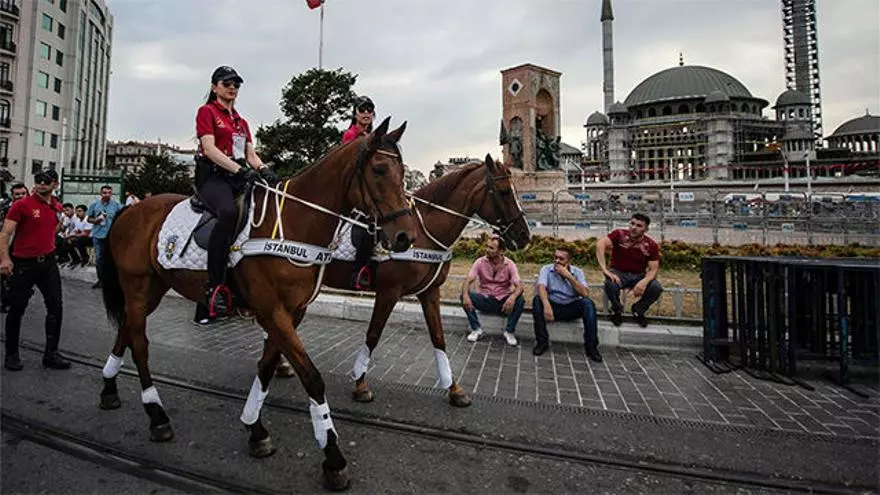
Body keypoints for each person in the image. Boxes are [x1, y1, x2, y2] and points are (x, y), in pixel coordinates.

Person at [195, 65, 276, 317]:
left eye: (236, 84)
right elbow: (209, 149)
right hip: (212, 178)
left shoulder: (241, 121)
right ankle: (215, 287)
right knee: (228, 213)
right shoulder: (207, 111)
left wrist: (263, 169)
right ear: (214, 86)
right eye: (226, 83)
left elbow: (249, 153)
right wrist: (237, 170)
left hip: (236, 177)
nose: (232, 88)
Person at [0, 169, 71, 371]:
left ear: (55, 184)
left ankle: (51, 354)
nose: (41, 184)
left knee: (56, 307)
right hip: (24, 264)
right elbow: (4, 234)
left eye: (46, 182)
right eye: (38, 180)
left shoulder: (55, 206)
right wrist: (5, 259)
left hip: (48, 263)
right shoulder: (22, 205)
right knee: (16, 309)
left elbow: (53, 226)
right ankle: (12, 354)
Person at [532, 246, 602, 363]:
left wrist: (569, 276)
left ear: (569, 261)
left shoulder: (578, 272)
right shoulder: (546, 269)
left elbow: (585, 293)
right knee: (537, 301)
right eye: (555, 258)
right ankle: (542, 342)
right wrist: (547, 306)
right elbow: (541, 287)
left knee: (588, 304)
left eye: (561, 259)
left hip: (571, 306)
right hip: (553, 306)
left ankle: (591, 347)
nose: (557, 261)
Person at [596, 213, 662, 328]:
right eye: (632, 223)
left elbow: (653, 269)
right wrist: (605, 269)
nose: (634, 227)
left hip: (639, 275)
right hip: (618, 272)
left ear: (646, 229)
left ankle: (638, 309)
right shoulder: (619, 234)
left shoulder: (651, 245)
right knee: (610, 284)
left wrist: (644, 282)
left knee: (656, 287)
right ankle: (617, 310)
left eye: (639, 225)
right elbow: (600, 244)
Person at [460, 235, 525, 346]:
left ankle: (509, 332)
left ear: (501, 251)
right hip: (486, 299)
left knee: (520, 300)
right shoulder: (480, 262)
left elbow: (520, 286)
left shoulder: (510, 264)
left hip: (503, 302)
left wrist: (512, 298)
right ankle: (476, 329)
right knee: (463, 296)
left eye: (491, 248)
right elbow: (468, 280)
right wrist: (465, 295)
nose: (487, 250)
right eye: (487, 247)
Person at [341, 95, 377, 290]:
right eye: (362, 109)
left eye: (369, 109)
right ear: (354, 113)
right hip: (353, 187)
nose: (366, 113)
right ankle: (358, 271)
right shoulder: (350, 135)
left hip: (370, 187)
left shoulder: (372, 137)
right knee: (366, 224)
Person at [86, 185, 123, 289]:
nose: (107, 195)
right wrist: (96, 220)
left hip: (111, 236)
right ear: (100, 193)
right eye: (104, 193)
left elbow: (121, 217)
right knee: (99, 259)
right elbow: (88, 219)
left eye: (109, 193)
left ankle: (113, 281)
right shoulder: (94, 205)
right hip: (98, 235)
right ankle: (101, 280)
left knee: (112, 259)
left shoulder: (116, 205)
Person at [0, 183, 30, 313]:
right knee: (4, 275)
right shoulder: (5, 209)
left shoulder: (33, 209)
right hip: (7, 246)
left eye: (23, 194)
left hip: (25, 248)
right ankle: (6, 300)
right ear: (12, 196)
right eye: (17, 194)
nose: (20, 196)